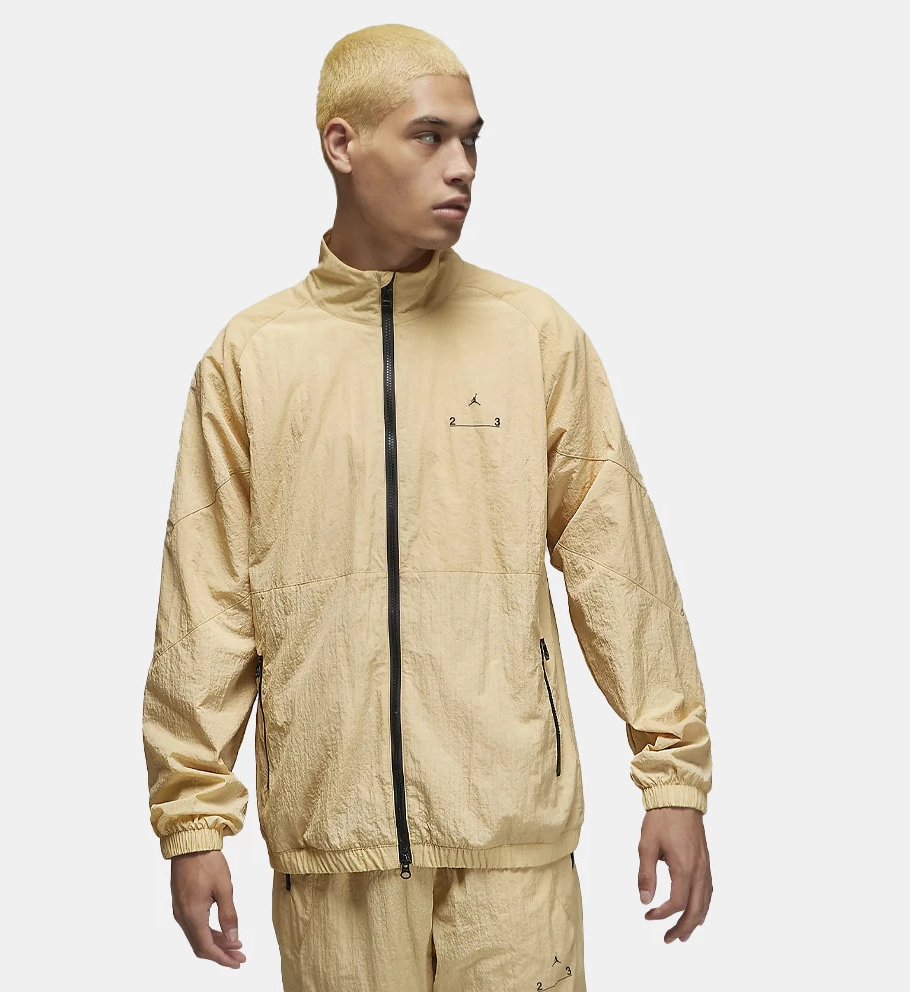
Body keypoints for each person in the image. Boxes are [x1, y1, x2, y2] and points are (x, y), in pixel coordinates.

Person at [142, 22, 713, 991]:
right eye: (429, 136)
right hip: (336, 852)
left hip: (511, 843)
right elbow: (206, 601)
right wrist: (193, 820)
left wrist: (673, 776)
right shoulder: (250, 358)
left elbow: (618, 564)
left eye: (471, 140)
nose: (462, 167)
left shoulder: (532, 335)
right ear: (341, 143)